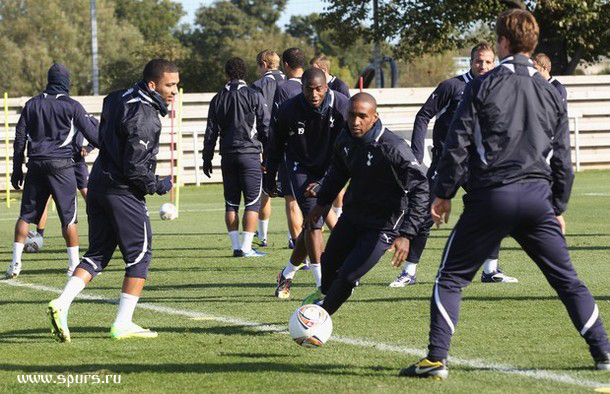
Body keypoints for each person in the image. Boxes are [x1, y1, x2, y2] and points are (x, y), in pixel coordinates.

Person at [399, 9, 610, 379]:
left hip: (492, 198)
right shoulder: (551, 91)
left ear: (502, 43)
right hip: (536, 200)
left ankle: (436, 358)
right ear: (533, 42)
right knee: (568, 281)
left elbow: (456, 143)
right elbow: (563, 158)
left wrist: (443, 192)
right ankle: (604, 352)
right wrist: (557, 205)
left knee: (450, 278)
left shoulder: (482, 85)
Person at [47, 59, 179, 342]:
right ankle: (123, 323)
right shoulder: (145, 117)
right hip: (122, 190)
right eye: (170, 85)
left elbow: (106, 134)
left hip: (98, 184)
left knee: (97, 254)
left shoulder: (116, 96)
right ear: (152, 85)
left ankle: (62, 302)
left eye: (177, 85)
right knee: (140, 257)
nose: (175, 91)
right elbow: (135, 167)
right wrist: (157, 184)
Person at [389, 42, 519, 287]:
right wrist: (417, 154)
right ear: (471, 62)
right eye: (479, 61)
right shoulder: (452, 86)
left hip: (479, 165)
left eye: (488, 61)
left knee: (494, 211)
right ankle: (409, 272)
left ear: (495, 63)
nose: (483, 65)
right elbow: (423, 115)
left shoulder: (499, 88)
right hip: (447, 164)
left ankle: (490, 270)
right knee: (424, 215)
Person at [301, 92, 429, 312]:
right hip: (352, 218)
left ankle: (320, 317)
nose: (355, 122)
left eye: (362, 116)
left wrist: (406, 234)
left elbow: (421, 189)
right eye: (351, 115)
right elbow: (337, 175)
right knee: (328, 265)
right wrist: (320, 206)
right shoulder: (345, 140)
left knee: (349, 275)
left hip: (382, 226)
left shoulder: (393, 148)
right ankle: (324, 295)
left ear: (374, 117)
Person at [7, 63, 99, 279]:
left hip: (36, 165)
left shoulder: (31, 105)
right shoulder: (72, 105)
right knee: (68, 218)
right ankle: (73, 265)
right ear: (66, 82)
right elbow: (93, 135)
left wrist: (16, 169)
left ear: (49, 80)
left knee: (25, 215)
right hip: (62, 166)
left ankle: (15, 264)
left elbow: (20, 138)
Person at [265, 68, 349, 299]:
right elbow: (275, 145)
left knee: (312, 222)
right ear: (301, 88)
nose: (314, 94)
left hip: (330, 169)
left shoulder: (342, 106)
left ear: (326, 87)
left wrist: (332, 178)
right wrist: (269, 177)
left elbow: (349, 147)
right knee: (314, 223)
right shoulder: (288, 109)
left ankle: (287, 273)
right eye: (308, 89)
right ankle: (324, 286)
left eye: (318, 89)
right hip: (299, 167)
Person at [203, 57, 270, 257]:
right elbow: (265, 127)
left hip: (227, 156)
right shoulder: (253, 95)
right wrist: (268, 157)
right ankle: (247, 247)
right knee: (252, 202)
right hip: (249, 154)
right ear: (244, 73)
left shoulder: (217, 98)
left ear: (227, 73)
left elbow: (210, 132)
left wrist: (207, 158)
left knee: (231, 202)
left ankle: (235, 247)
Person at [33, 120, 98, 255]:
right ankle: (38, 236)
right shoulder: (54, 114)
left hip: (77, 162)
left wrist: (90, 147)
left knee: (90, 199)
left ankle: (98, 236)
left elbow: (97, 127)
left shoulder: (75, 111)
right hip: (58, 162)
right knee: (45, 199)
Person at [272, 48, 307, 249]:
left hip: (292, 152)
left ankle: (302, 253)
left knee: (292, 200)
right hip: (316, 152)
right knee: (320, 205)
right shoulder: (318, 85)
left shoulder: (284, 89)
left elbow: (277, 125)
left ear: (285, 65)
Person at [310, 54, 350, 227]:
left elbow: (346, 111)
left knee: (337, 180)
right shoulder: (312, 89)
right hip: (319, 142)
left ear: (323, 69)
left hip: (336, 142)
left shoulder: (340, 86)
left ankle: (339, 215)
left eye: (313, 68)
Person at [251, 49, 285, 247]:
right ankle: (294, 238)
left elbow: (255, 118)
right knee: (293, 194)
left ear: (264, 63)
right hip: (292, 142)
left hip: (268, 143)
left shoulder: (258, 86)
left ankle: (263, 237)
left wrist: (260, 147)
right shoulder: (291, 81)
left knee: (265, 190)